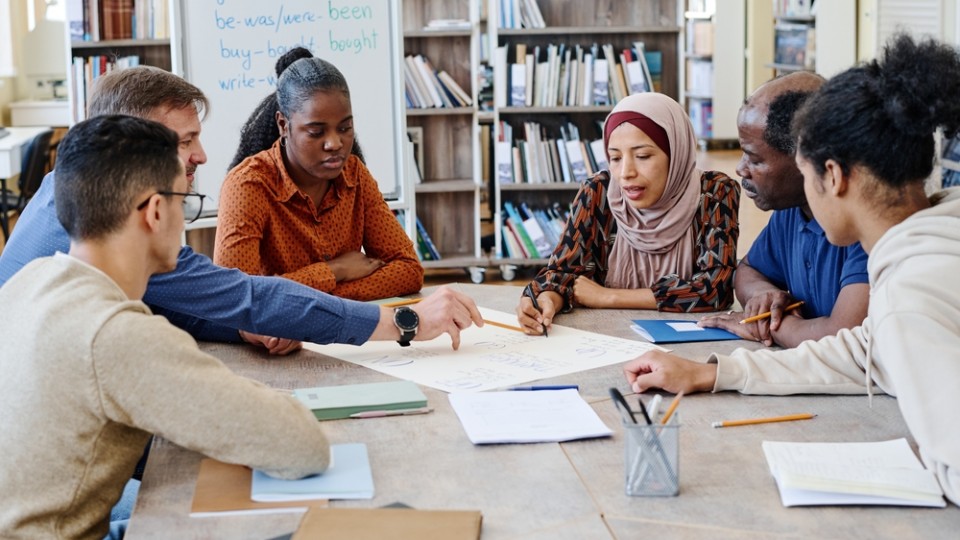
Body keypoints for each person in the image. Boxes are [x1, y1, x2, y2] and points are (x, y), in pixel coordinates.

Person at [624, 34, 960, 505]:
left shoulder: (911, 296)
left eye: (805, 174)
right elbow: (859, 354)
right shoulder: (935, 235)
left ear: (835, 177)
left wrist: (927, 463)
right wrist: (712, 373)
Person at [0, 115, 332, 538]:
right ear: (156, 211)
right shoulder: (115, 333)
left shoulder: (28, 282)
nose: (184, 217)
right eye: (184, 201)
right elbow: (302, 447)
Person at [0, 66, 482, 353]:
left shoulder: (62, 188)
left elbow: (184, 306)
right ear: (133, 143)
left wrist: (247, 329)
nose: (202, 156)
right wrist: (405, 323)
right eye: (186, 141)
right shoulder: (118, 223)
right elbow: (245, 294)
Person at [516, 92, 740, 335]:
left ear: (676, 153)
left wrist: (608, 297)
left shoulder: (715, 192)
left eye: (642, 156)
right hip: (606, 341)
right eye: (615, 158)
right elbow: (563, 274)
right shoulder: (599, 192)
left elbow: (715, 290)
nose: (625, 173)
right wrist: (548, 299)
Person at [214, 51, 423, 301]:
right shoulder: (248, 185)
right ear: (283, 125)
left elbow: (409, 270)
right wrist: (336, 270)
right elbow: (236, 297)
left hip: (346, 334)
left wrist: (324, 300)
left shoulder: (354, 174)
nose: (335, 143)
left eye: (345, 128)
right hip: (277, 338)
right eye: (316, 132)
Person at [697, 72, 869, 348]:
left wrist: (770, 326)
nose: (741, 169)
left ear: (805, 158)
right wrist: (763, 295)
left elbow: (844, 338)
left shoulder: (867, 226)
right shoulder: (792, 209)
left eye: (754, 158)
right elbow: (749, 269)